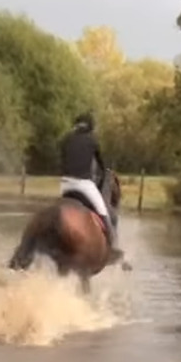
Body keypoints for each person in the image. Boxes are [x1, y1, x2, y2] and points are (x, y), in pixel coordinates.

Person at [58, 112, 123, 262]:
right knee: (104, 213)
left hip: (65, 185)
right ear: (91, 127)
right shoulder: (92, 140)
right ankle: (112, 248)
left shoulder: (65, 139)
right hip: (84, 185)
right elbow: (102, 166)